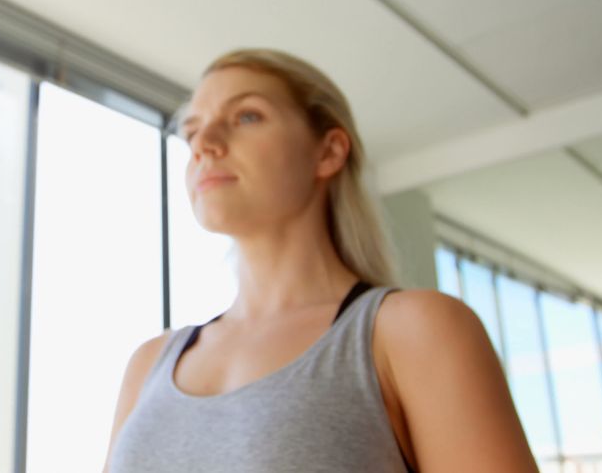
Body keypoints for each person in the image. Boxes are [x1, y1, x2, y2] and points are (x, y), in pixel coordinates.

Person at [101, 49, 538, 472]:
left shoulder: (414, 330)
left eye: (246, 116)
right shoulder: (149, 362)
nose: (205, 145)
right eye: (193, 130)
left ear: (328, 152)